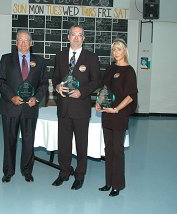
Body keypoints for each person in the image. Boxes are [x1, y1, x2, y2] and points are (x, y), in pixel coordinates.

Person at [52, 25, 102, 190]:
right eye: (73, 34)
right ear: (68, 37)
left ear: (84, 38)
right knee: (63, 144)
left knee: (81, 144)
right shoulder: (59, 56)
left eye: (80, 35)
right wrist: (57, 86)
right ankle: (64, 172)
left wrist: (82, 91)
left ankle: (80, 175)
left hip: (81, 108)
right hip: (64, 108)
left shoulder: (91, 58)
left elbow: (96, 81)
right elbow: (55, 77)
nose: (76, 38)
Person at [0, 30, 48, 183]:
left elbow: (44, 83)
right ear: (16, 43)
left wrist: (37, 98)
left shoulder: (40, 61)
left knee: (28, 141)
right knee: (9, 140)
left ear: (31, 43)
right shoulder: (6, 59)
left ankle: (27, 171)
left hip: (30, 108)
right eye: (20, 40)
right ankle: (8, 171)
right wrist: (11, 97)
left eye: (27, 40)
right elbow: (0, 81)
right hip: (10, 107)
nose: (23, 43)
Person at [95, 38, 138, 197]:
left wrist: (116, 109)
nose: (116, 52)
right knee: (108, 150)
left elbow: (131, 96)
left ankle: (117, 185)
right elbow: (104, 90)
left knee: (117, 151)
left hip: (119, 115)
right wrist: (98, 103)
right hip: (107, 115)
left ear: (124, 51)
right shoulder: (110, 69)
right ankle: (108, 182)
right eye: (114, 50)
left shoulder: (129, 71)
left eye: (119, 49)